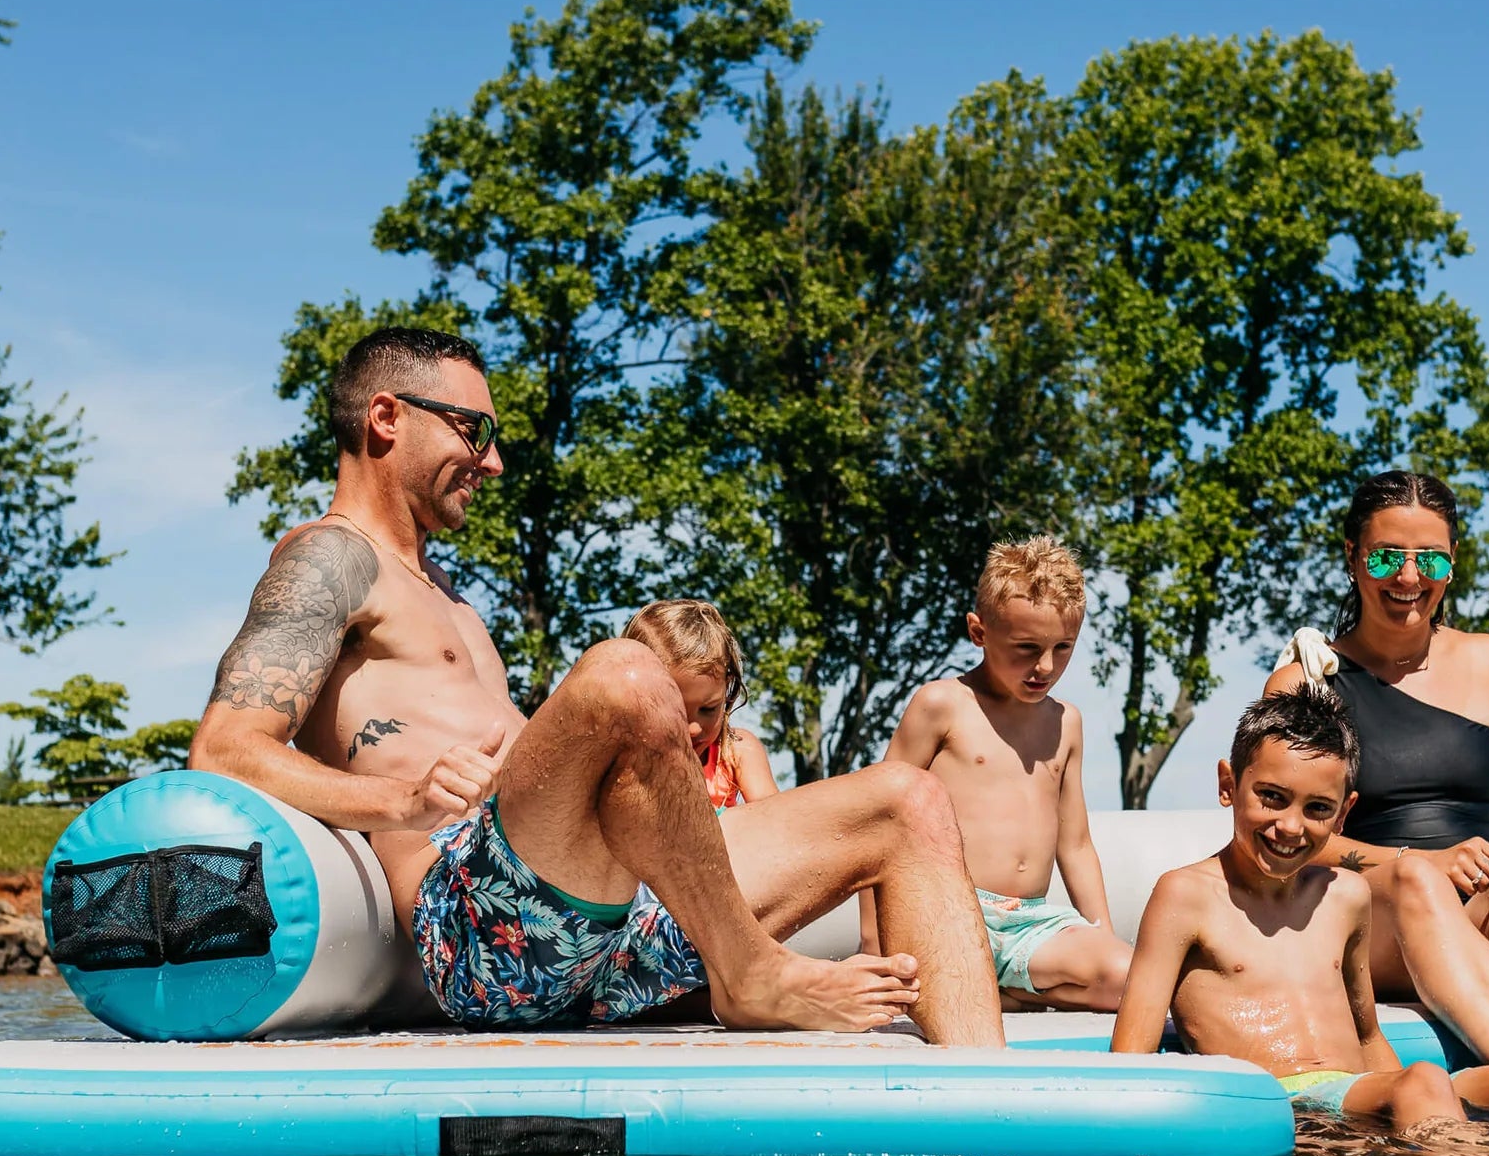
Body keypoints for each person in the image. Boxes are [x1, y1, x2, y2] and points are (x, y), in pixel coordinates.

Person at [189, 326, 1005, 1046]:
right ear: (387, 417)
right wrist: (398, 803)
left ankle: (994, 1125)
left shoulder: (447, 595)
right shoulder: (330, 559)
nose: (494, 461)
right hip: (481, 938)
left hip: (607, 915)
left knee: (908, 801)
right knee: (624, 670)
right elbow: (223, 751)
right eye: (474, 431)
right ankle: (751, 975)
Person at [1111, 689, 1489, 1128]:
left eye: (1317, 809)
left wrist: (1414, 1093)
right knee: (1424, 1085)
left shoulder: (1346, 897)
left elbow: (1367, 1035)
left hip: (1358, 1096)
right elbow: (1131, 1058)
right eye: (1272, 798)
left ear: (1345, 812)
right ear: (1228, 785)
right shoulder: (1186, 895)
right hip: (1281, 1102)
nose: (1290, 826)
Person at [1266, 469, 1489, 1079]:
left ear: (1453, 563)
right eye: (1386, 558)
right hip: (1377, 929)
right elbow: (1280, 838)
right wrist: (1415, 863)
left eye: (1432, 561)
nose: (1409, 578)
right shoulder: (1309, 683)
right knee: (1419, 888)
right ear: (1352, 557)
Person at [867, 537, 1129, 1012]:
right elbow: (877, 822)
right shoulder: (942, 705)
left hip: (1033, 924)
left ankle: (1008, 987)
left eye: (1062, 648)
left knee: (1129, 979)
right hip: (950, 913)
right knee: (936, 992)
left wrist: (1101, 932)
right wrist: (875, 944)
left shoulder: (1065, 723)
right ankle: (999, 987)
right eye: (1026, 648)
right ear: (978, 631)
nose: (1045, 666)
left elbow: (1075, 844)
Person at [621, 599, 779, 811]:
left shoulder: (735, 752)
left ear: (728, 686)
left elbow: (776, 820)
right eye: (675, 712)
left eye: (708, 709)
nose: (693, 729)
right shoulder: (626, 762)